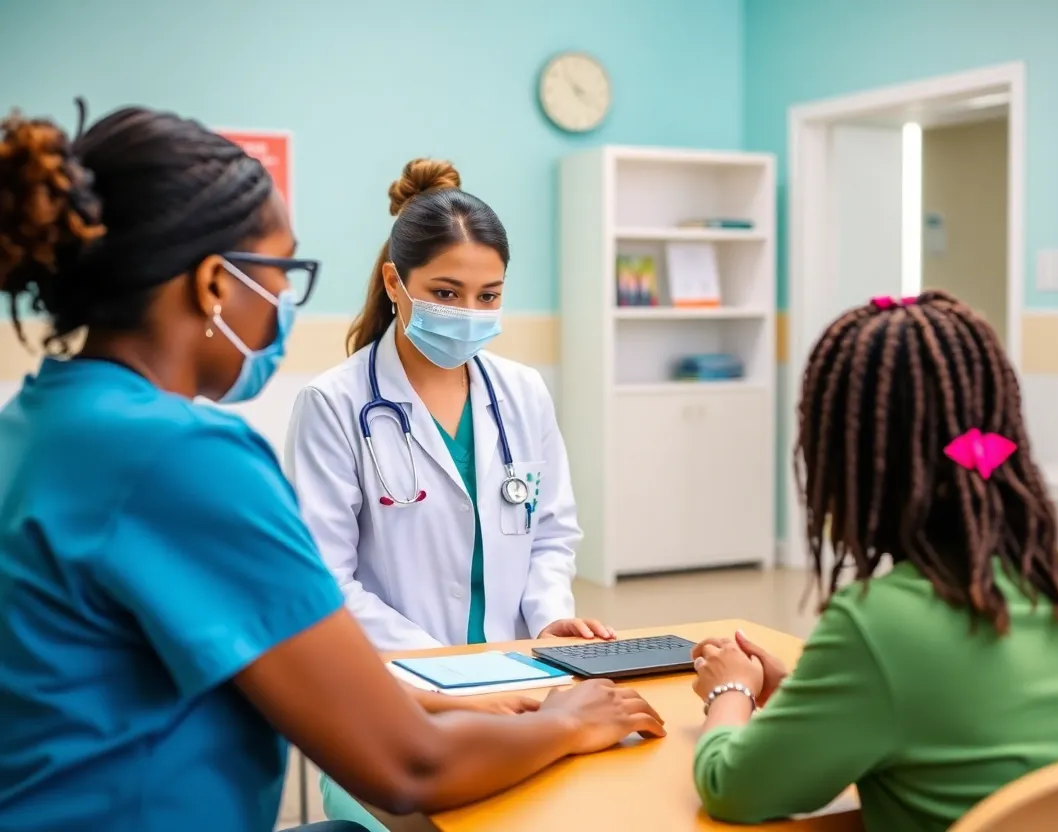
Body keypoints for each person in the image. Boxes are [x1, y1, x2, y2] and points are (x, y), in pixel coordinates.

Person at [0, 104, 664, 832]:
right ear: (215, 285)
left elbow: (270, 667)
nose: (286, 302)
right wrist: (567, 721)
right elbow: (412, 766)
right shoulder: (182, 456)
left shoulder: (37, 425)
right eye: (283, 271)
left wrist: (474, 690)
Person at [687, 292, 1058, 830]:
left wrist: (730, 690)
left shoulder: (877, 622)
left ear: (848, 462)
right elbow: (944, 720)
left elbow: (732, 789)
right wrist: (798, 693)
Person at [284, 158, 610, 652]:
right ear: (395, 283)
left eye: (488, 296)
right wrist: (435, 660)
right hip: (399, 676)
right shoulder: (333, 404)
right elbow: (324, 577)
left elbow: (551, 532)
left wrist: (549, 617)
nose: (468, 314)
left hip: (514, 662)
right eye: (445, 293)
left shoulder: (523, 393)